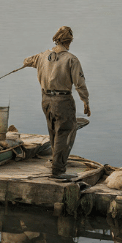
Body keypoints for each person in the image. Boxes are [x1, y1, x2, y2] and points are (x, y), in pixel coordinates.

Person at [23, 26, 91, 179]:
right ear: (69, 42)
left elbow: (27, 61)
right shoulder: (71, 59)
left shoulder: (42, 56)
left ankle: (55, 161)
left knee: (53, 130)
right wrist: (85, 101)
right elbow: (79, 83)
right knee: (65, 132)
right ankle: (58, 171)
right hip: (63, 100)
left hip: (46, 99)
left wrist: (31, 63)